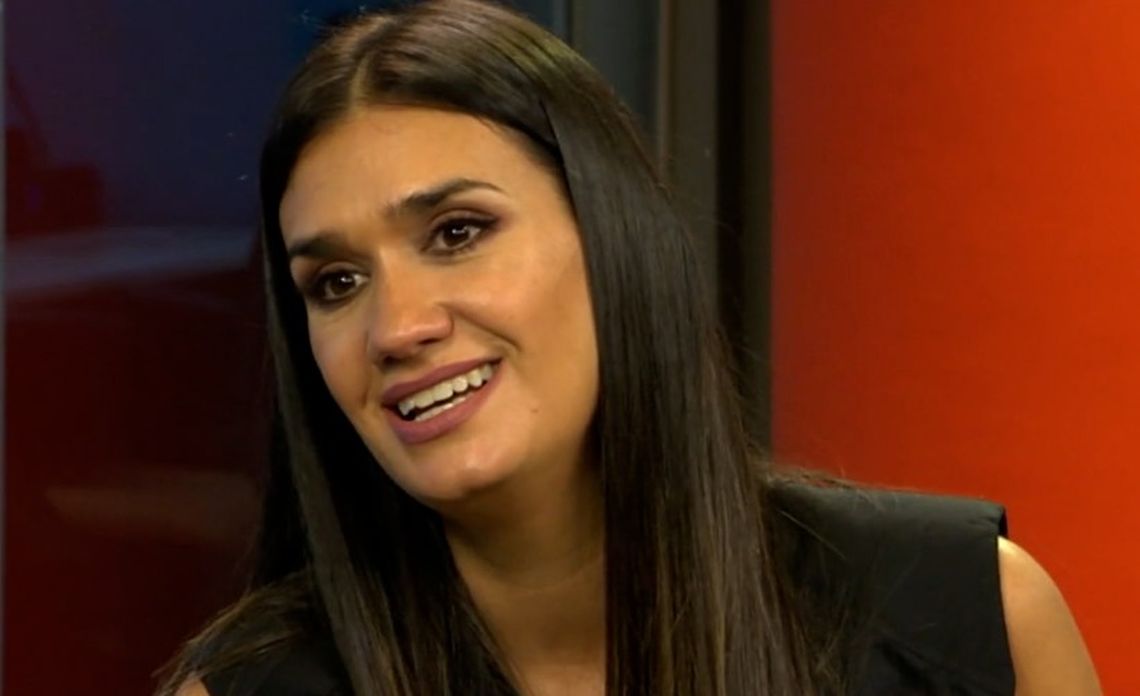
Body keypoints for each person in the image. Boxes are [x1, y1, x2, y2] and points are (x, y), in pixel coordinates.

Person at [161, 1, 1100, 694]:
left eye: (457, 233)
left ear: (615, 237)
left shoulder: (965, 621)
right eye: (336, 283)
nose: (398, 327)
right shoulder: (251, 687)